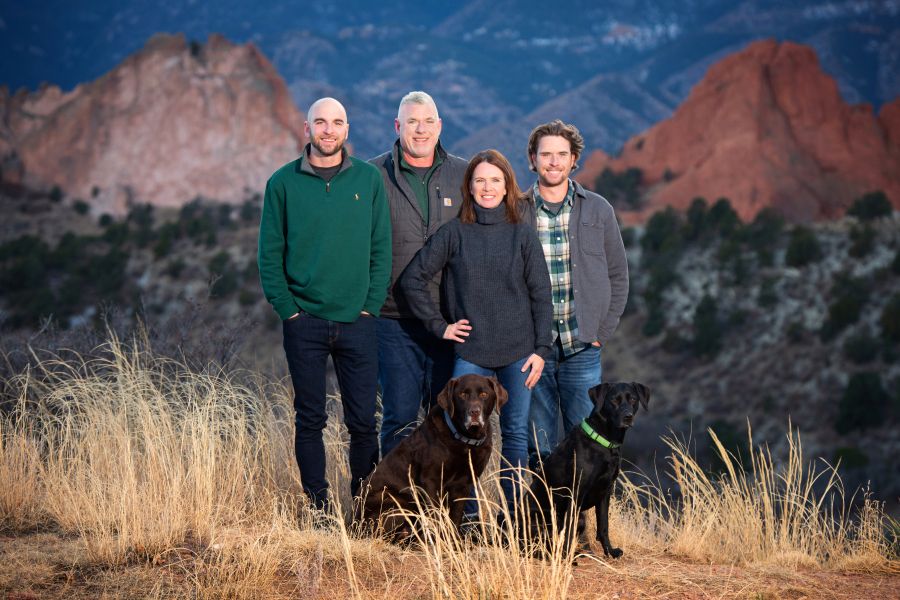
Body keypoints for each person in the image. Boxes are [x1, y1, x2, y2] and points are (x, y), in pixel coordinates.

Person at [400, 149, 552, 517]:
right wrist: (441, 326)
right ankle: (464, 517)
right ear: (469, 186)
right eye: (480, 180)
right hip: (471, 355)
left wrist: (542, 349)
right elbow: (412, 280)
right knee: (459, 436)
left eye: (495, 180)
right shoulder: (454, 233)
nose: (487, 187)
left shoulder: (522, 235)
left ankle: (512, 520)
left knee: (515, 436)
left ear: (507, 186)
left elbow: (541, 294)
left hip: (519, 353)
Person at [257, 97, 391, 514]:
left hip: (358, 321)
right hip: (305, 322)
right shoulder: (282, 183)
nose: (328, 130)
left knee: (363, 422)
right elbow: (269, 254)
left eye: (336, 123)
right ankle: (318, 510)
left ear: (347, 130)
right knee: (310, 420)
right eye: (321, 122)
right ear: (307, 128)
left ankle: (367, 509)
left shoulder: (368, 180)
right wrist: (289, 313)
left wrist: (370, 307)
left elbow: (381, 249)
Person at [523, 120, 629, 471]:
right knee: (538, 442)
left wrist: (603, 331)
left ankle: (579, 525)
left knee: (587, 443)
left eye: (561, 155)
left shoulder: (598, 209)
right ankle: (540, 518)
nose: (553, 162)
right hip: (532, 348)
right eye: (546, 155)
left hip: (582, 346)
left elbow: (618, 274)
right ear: (532, 159)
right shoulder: (517, 211)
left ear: (574, 160)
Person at [369, 91, 468, 457]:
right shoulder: (373, 175)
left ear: (440, 126)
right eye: (412, 122)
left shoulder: (464, 174)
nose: (421, 129)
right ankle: (398, 509)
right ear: (398, 126)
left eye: (428, 121)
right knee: (399, 419)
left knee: (448, 420)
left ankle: (444, 511)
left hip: (450, 321)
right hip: (394, 319)